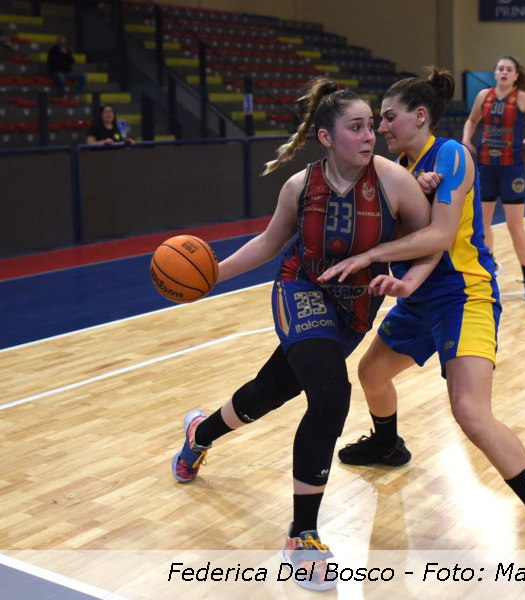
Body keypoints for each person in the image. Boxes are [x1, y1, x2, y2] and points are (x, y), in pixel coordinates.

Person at [319, 67, 525, 594]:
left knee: (470, 412)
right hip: (420, 296)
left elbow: (441, 236)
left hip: (464, 295)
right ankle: (388, 445)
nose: (381, 127)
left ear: (420, 116)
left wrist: (375, 256)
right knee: (372, 374)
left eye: (389, 117)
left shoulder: (451, 155)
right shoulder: (402, 167)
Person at [170, 78, 437, 591]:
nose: (369, 136)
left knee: (269, 391)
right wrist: (212, 275)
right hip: (301, 290)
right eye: (356, 127)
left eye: (371, 126)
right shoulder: (300, 186)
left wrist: (407, 276)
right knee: (331, 394)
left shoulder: (396, 182)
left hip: (355, 309)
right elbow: (269, 243)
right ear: (326, 137)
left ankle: (199, 434)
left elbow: (429, 242)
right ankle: (303, 535)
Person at [461, 56, 525, 301]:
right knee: (482, 224)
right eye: (500, 68)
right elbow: (471, 120)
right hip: (486, 167)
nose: (504, 72)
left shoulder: (523, 99)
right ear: (495, 73)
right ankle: (489, 267)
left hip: (512, 169)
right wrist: (466, 140)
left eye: (509, 69)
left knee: (515, 225)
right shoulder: (483, 96)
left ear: (516, 75)